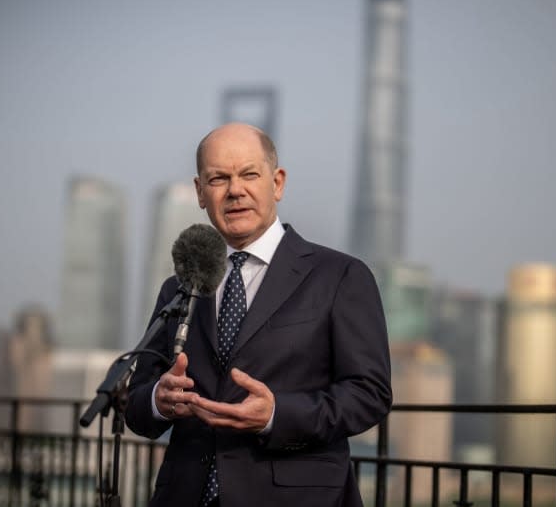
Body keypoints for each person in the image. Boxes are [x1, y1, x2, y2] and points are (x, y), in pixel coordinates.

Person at [125, 123, 392, 506]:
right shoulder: (180, 287)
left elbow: (370, 393)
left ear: (278, 182)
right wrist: (158, 399)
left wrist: (276, 414)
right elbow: (137, 403)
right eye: (218, 178)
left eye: (249, 174)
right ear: (201, 192)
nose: (235, 190)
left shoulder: (340, 276)